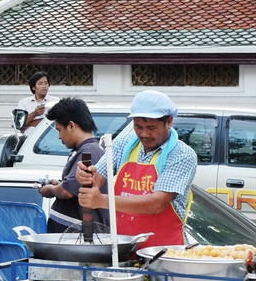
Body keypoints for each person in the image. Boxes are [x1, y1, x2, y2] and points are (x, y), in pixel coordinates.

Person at [78, 90, 198, 249]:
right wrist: (86, 177)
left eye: (151, 127)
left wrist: (101, 200)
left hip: (165, 253)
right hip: (124, 248)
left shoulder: (182, 155)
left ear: (169, 122)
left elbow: (158, 203)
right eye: (138, 127)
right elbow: (96, 178)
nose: (144, 134)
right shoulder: (124, 143)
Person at [39, 98, 109, 233]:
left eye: (59, 129)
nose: (59, 136)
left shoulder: (89, 151)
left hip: (79, 240)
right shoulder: (83, 149)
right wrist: (59, 184)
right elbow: (73, 185)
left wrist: (50, 190)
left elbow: (67, 191)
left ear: (71, 126)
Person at [16, 71, 58, 136]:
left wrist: (29, 123)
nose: (44, 86)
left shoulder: (55, 101)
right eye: (40, 84)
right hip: (26, 140)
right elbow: (18, 124)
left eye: (46, 83)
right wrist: (34, 114)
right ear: (33, 87)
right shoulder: (24, 102)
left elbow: (54, 123)